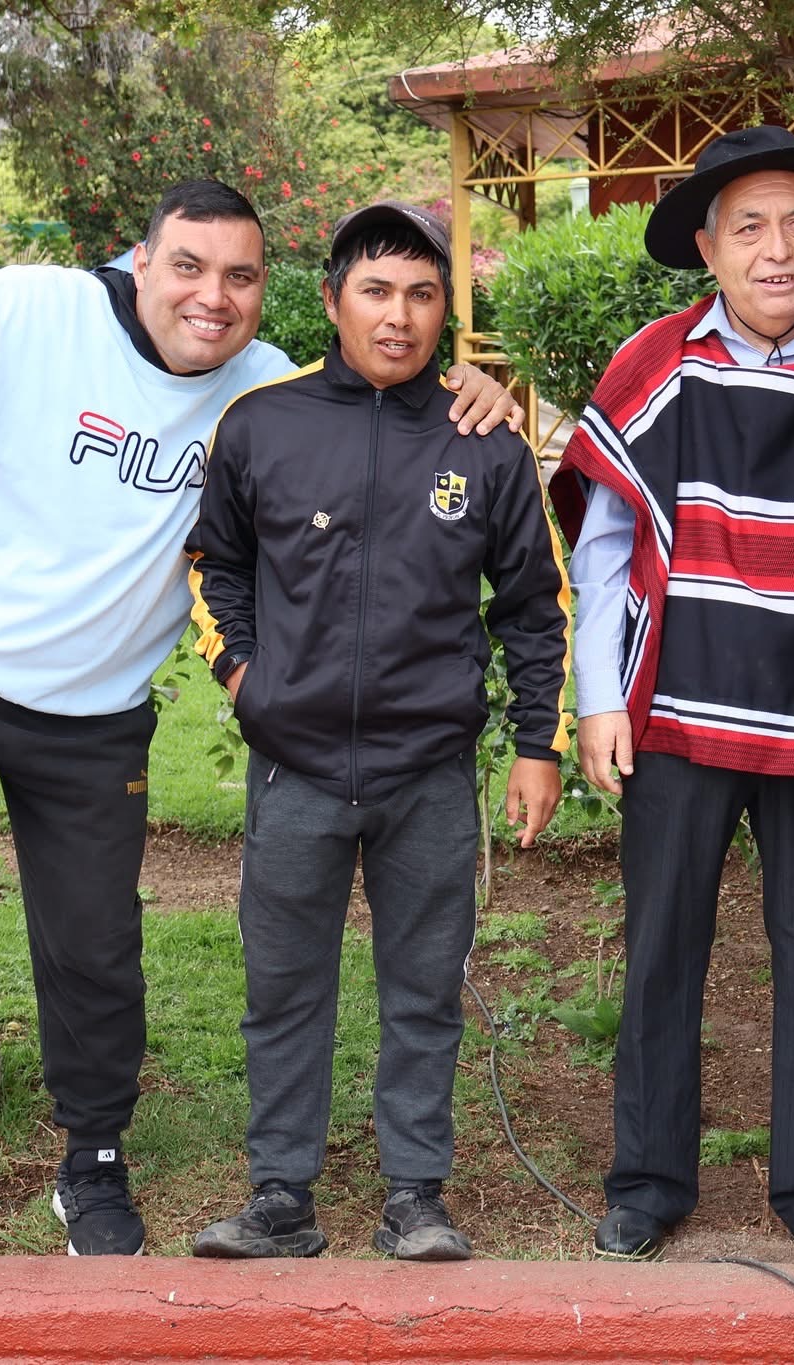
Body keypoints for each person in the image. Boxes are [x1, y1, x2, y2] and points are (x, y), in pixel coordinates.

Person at [0, 179, 519, 1296]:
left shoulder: (263, 392)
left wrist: (472, 388)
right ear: (140, 261)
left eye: (239, 277)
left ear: (271, 292)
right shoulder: (31, 312)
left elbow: (379, 395)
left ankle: (94, 1161)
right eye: (187, 267)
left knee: (94, 944)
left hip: (92, 710)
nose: (211, 297)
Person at [185, 200, 569, 1264]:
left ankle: (416, 1195)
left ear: (445, 310)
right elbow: (214, 564)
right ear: (332, 301)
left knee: (424, 990)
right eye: (375, 291)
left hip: (427, 771)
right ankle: (280, 1196)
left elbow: (533, 604)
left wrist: (536, 743)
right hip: (294, 768)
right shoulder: (262, 424)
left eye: (421, 294)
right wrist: (248, 681)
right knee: (283, 988)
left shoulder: (484, 440)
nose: (398, 316)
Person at [548, 126, 794, 1270]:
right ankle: (647, 1182)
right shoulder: (657, 363)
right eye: (747, 227)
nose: (776, 249)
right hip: (678, 702)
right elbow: (605, 545)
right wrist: (597, 699)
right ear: (707, 248)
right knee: (660, 946)